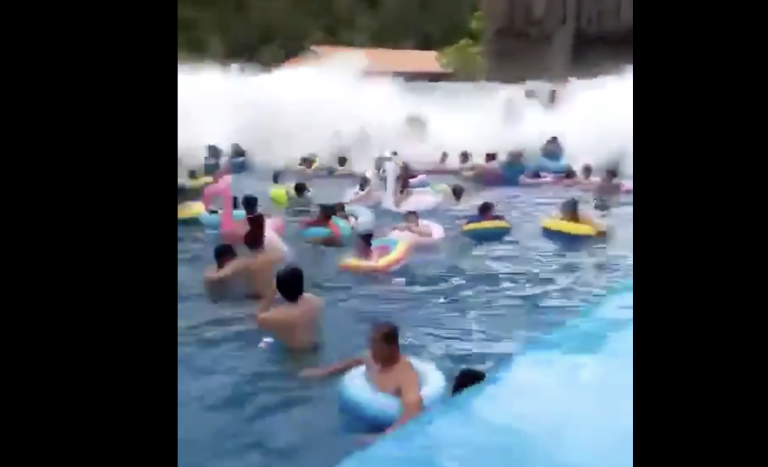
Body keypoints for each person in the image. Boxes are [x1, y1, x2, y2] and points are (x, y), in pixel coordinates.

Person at [299, 322, 422, 430]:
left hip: (385, 426)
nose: (371, 350)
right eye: (371, 344)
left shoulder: (405, 374)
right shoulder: (373, 359)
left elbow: (413, 411)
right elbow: (353, 362)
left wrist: (383, 437)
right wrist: (323, 372)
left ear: (392, 347)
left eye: (376, 345)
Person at [204, 214, 285, 307]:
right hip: (276, 297)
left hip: (257, 302)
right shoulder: (274, 255)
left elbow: (217, 276)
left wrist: (209, 274)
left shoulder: (243, 263)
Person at [255, 265, 322, 351]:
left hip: (293, 358)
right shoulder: (316, 301)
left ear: (279, 289)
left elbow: (258, 320)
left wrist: (269, 296)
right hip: (316, 349)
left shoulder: (277, 315)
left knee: (264, 343)